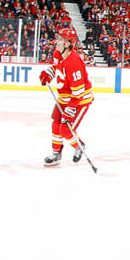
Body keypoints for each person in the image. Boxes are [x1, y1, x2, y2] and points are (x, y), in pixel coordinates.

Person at [40, 27, 93, 167]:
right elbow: (56, 67)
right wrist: (48, 74)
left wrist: (70, 110)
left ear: (68, 43)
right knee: (55, 125)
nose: (58, 41)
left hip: (80, 99)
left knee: (65, 129)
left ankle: (79, 146)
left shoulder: (74, 62)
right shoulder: (58, 53)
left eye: (61, 39)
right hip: (64, 97)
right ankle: (56, 153)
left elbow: (79, 92)